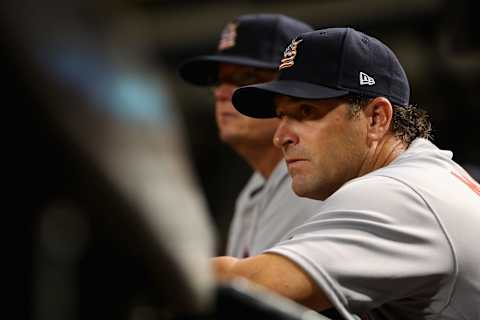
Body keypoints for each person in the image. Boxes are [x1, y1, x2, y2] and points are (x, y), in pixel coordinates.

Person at [212, 27, 480, 320]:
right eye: (281, 116)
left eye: (305, 112)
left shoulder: (395, 194)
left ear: (377, 118)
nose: (281, 137)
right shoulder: (429, 176)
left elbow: (249, 285)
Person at [179, 14, 323, 258]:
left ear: (297, 90)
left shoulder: (314, 186)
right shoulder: (258, 186)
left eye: (245, 78)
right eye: (219, 80)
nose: (221, 93)